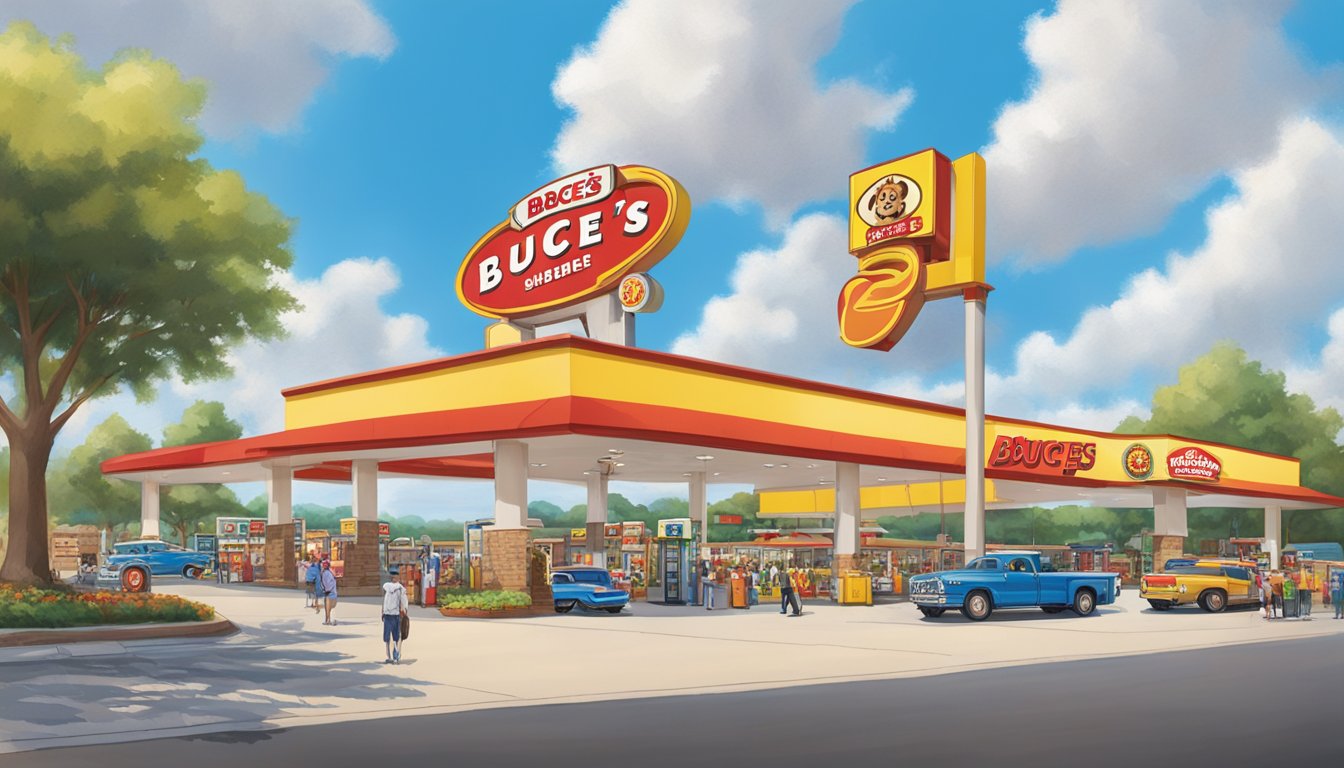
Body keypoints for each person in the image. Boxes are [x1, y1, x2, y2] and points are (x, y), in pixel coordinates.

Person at [382, 567, 409, 664]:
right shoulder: (401, 589)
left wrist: (383, 612)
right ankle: (396, 656)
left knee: (387, 638)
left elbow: (384, 601)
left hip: (387, 615)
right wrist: (405, 611)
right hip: (396, 615)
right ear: (397, 578)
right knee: (396, 637)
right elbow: (404, 603)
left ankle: (389, 656)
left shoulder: (385, 587)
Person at [320, 559, 339, 625]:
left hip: (329, 592)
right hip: (332, 591)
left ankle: (328, 620)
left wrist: (326, 590)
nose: (323, 565)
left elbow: (327, 583)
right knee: (329, 607)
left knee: (328, 607)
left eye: (325, 564)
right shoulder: (329, 572)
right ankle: (328, 620)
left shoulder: (326, 573)